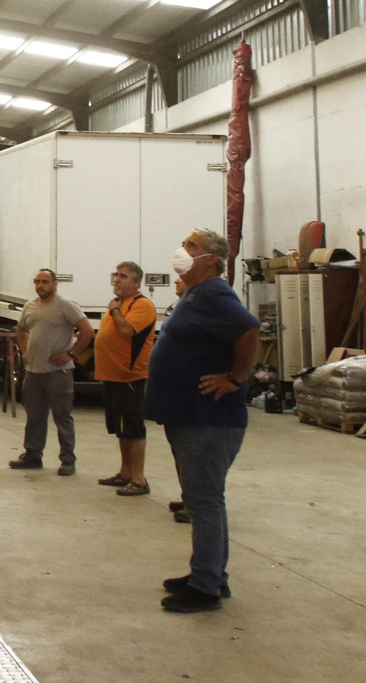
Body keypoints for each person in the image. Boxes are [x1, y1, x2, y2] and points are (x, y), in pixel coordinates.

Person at [144, 228, 259, 613]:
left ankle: (206, 586)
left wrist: (235, 379)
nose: (182, 249)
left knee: (204, 502)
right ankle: (209, 574)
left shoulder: (214, 291)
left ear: (210, 259)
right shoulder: (195, 293)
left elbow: (248, 330)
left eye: (191, 245)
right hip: (189, 416)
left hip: (207, 418)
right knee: (204, 499)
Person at [9, 268, 94, 476]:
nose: (41, 286)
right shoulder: (29, 307)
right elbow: (21, 330)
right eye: (37, 281)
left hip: (58, 372)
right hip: (34, 372)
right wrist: (25, 350)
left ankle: (68, 460)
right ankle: (32, 455)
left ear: (55, 284)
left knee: (62, 416)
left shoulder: (65, 305)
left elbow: (87, 331)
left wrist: (71, 354)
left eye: (45, 281)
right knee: (34, 415)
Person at [93, 261, 157, 496]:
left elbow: (127, 331)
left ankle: (139, 479)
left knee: (133, 428)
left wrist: (115, 311)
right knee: (121, 428)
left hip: (129, 377)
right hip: (112, 376)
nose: (117, 280)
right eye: (116, 275)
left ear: (137, 282)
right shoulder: (119, 304)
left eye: (124, 276)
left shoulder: (142, 305)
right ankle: (125, 472)